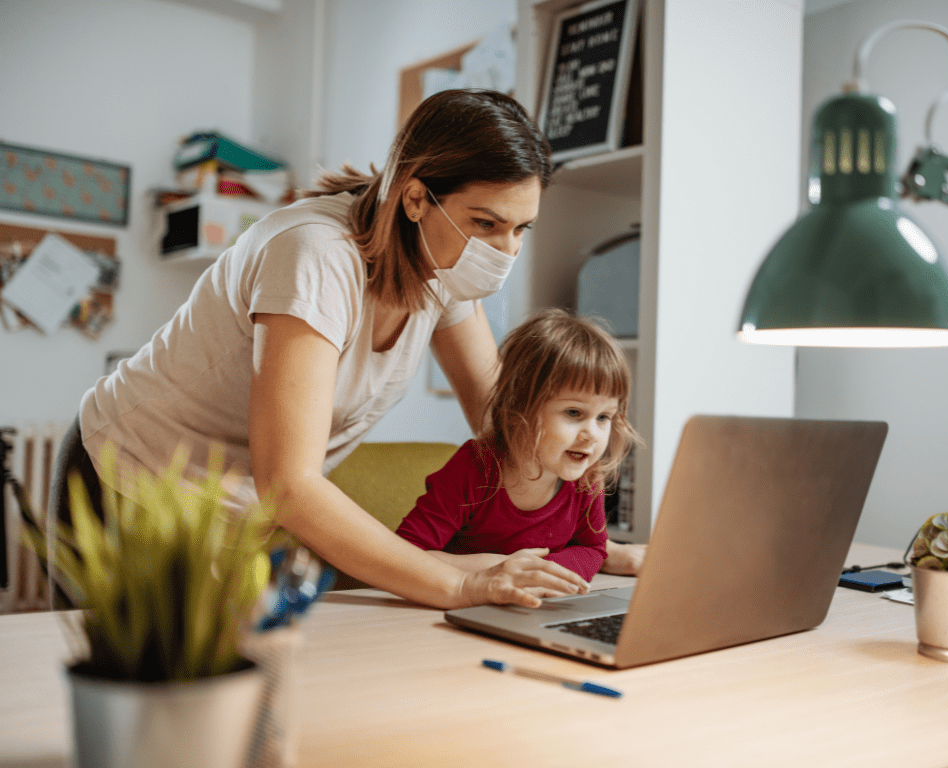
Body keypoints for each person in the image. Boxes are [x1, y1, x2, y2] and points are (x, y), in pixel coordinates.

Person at [53, 89, 591, 610]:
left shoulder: (442, 268)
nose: (506, 250)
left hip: (234, 514)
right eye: (486, 224)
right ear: (416, 198)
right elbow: (290, 483)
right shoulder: (316, 255)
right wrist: (454, 583)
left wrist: (595, 545)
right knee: (166, 694)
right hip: (130, 480)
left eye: (521, 227)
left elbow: (504, 429)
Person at [395, 309, 642, 585]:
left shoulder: (588, 478)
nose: (592, 435)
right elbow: (404, 555)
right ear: (519, 405)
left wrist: (537, 570)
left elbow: (593, 549)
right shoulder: (475, 468)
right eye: (574, 413)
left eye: (603, 417)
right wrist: (498, 567)